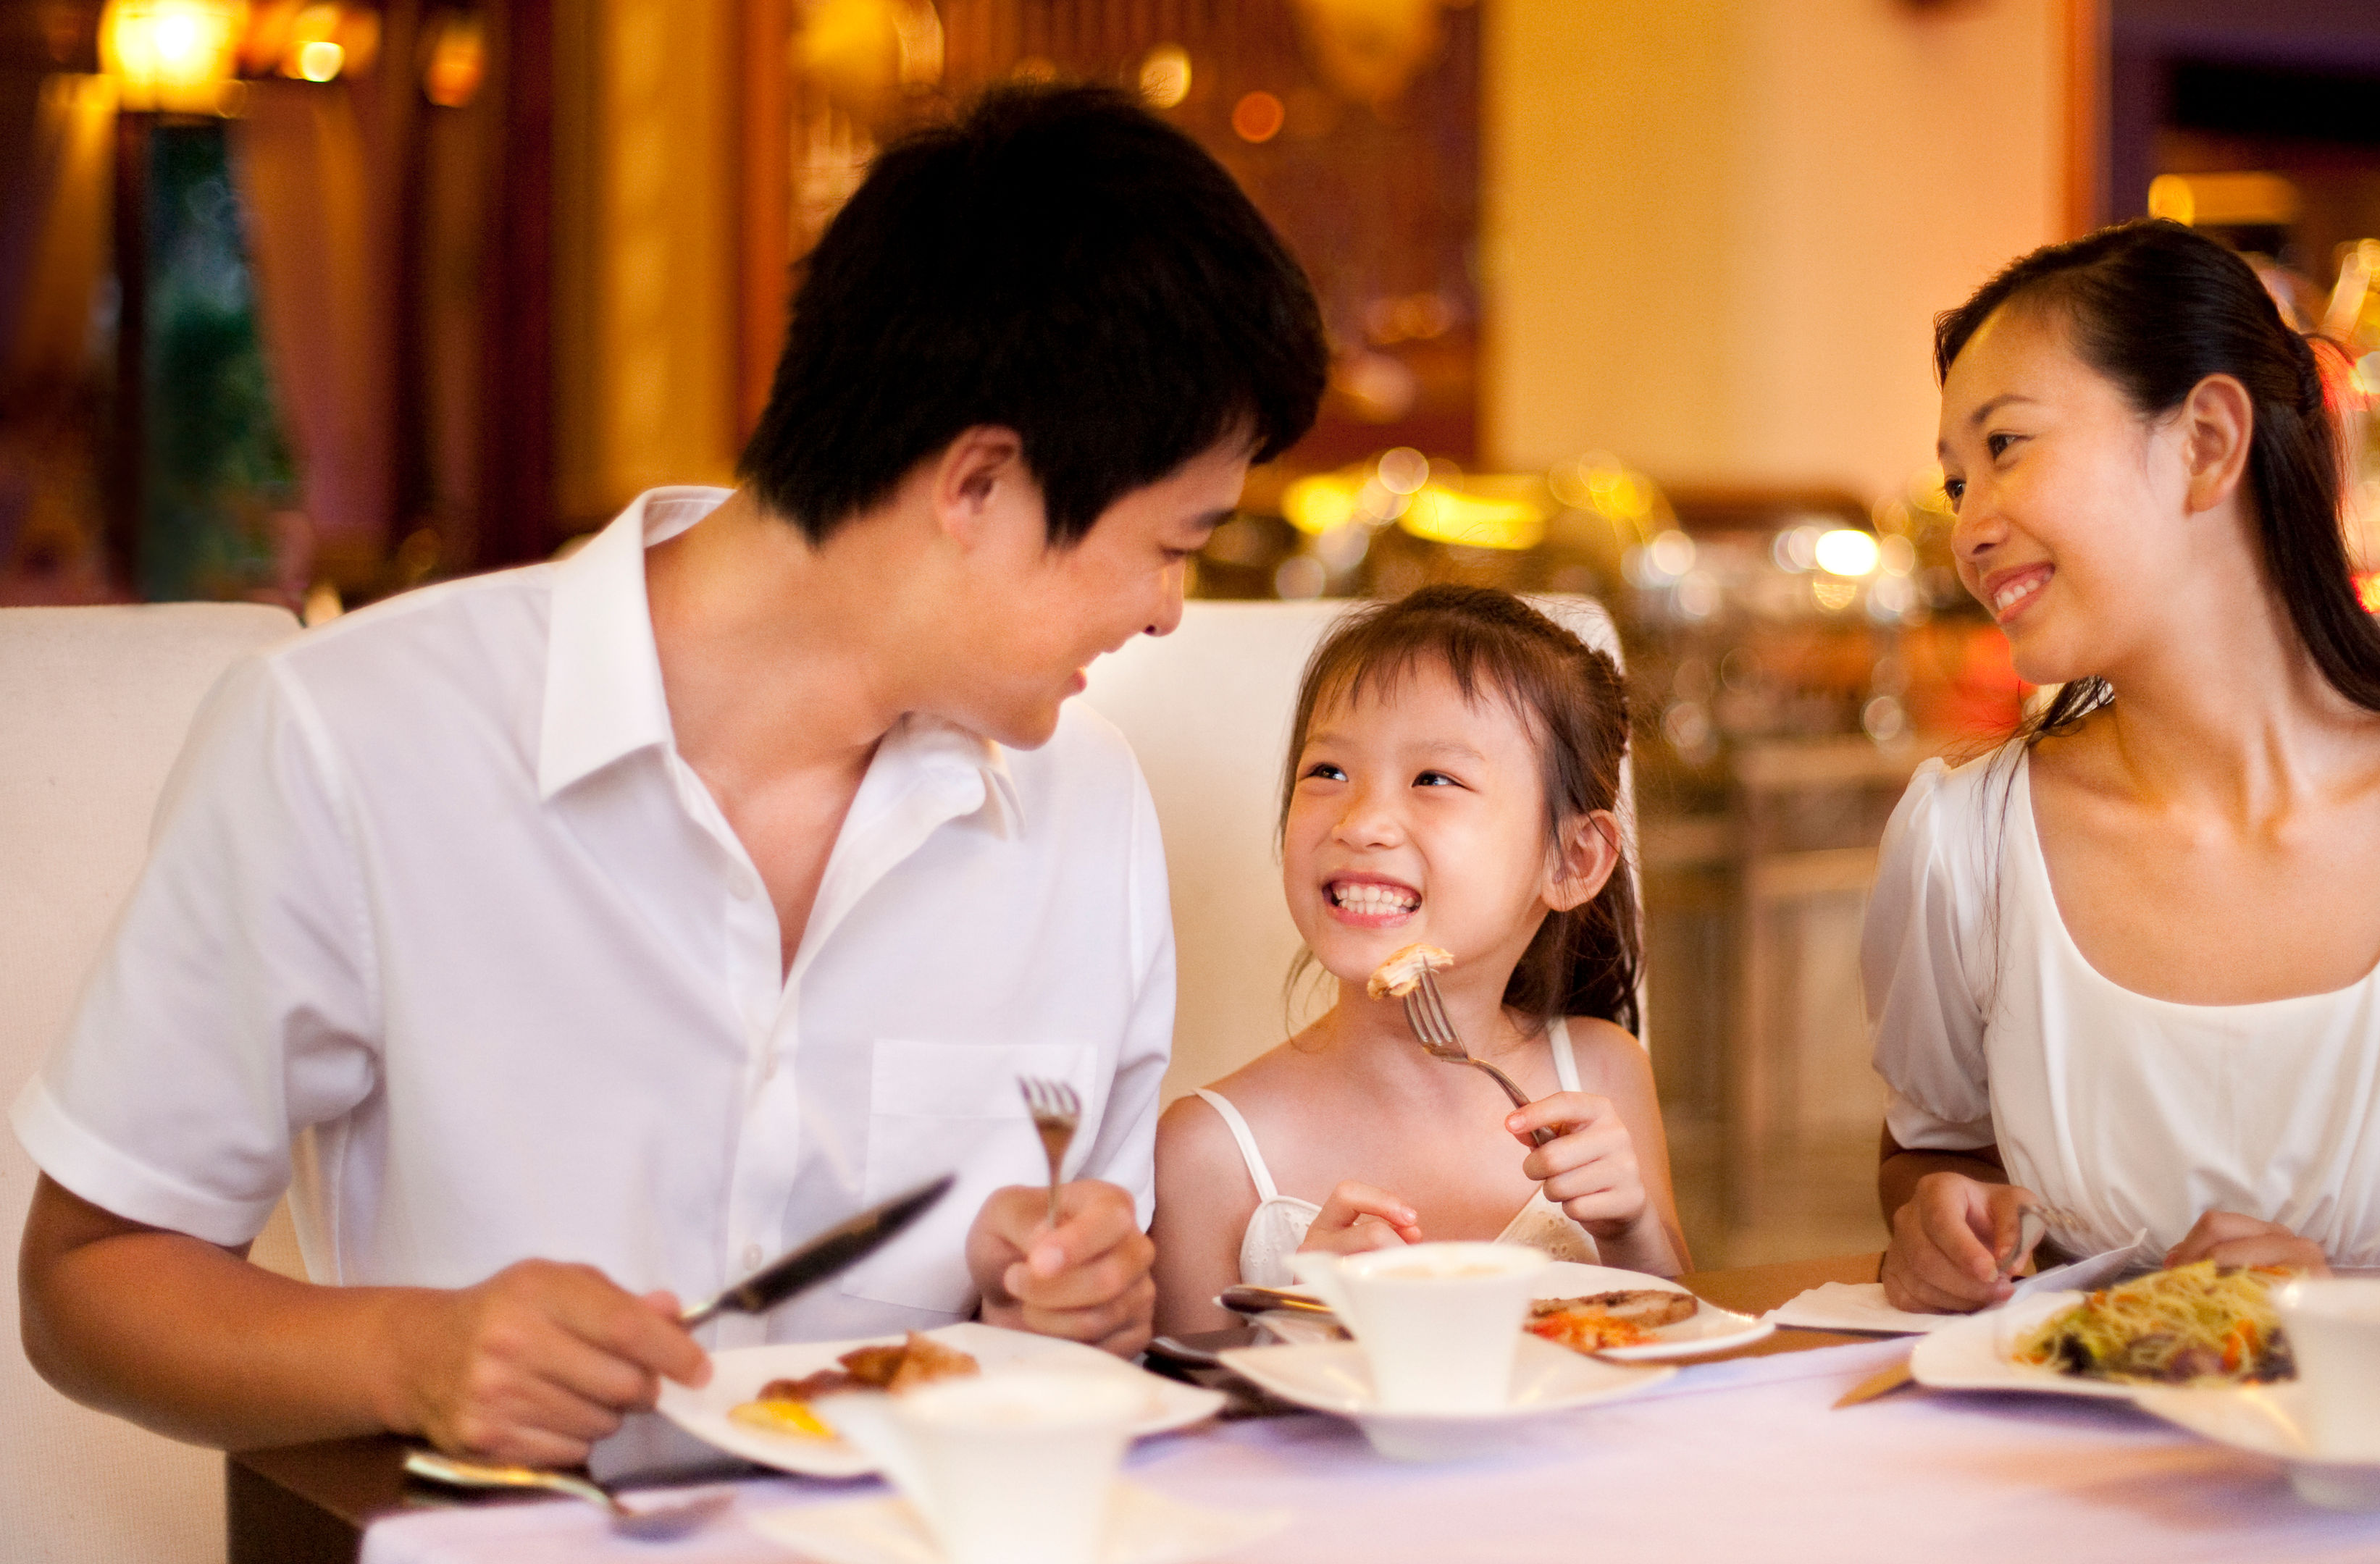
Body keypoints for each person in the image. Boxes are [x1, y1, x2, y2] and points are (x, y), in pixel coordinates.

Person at [14, 84, 1328, 1466]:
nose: (1173, 610)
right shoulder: (354, 740)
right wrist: (412, 1353)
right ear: (979, 486)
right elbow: (84, 1281)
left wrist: (1065, 1301)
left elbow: (1072, 1334)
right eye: (1176, 544)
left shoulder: (1087, 811)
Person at [1867, 219, 2380, 1369]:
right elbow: (1931, 1152)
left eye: (2007, 448)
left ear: (2208, 441)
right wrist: (1932, 1223)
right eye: (1956, 481)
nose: (1968, 529)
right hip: (2068, 1488)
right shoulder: (1962, 838)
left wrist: (2374, 1343)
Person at [1150, 587, 1686, 1335]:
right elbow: (1186, 1429)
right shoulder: (1205, 1153)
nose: (1362, 821)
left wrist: (1634, 1233)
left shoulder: (1602, 1074)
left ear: (1573, 858)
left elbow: (1680, 1343)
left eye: (1435, 779)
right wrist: (1302, 1321)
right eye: (1327, 772)